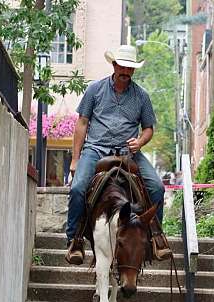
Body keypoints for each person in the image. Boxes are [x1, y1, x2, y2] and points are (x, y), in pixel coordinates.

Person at [65, 44, 171, 264]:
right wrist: (75, 159)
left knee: (157, 188)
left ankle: (155, 237)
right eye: (122, 67)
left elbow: (149, 128)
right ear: (114, 65)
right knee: (77, 188)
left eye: (130, 69)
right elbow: (82, 123)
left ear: (134, 70)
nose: (125, 72)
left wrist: (140, 141)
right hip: (95, 149)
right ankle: (74, 240)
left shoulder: (142, 96)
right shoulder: (95, 89)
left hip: (128, 153)